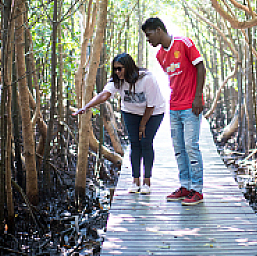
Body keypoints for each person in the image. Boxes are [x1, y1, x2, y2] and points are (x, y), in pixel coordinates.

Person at [72, 53, 165, 194]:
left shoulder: (147, 79)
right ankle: (135, 181)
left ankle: (147, 182)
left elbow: (151, 106)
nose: (117, 72)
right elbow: (104, 95)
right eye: (115, 69)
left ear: (128, 67)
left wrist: (143, 124)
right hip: (131, 112)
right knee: (135, 144)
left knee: (146, 142)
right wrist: (86, 106)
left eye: (120, 68)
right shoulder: (117, 80)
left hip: (154, 113)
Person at [141, 17, 206, 205]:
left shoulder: (184, 43)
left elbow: (200, 67)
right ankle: (185, 186)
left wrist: (197, 97)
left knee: (191, 147)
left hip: (191, 105)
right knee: (178, 148)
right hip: (175, 106)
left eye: (149, 35)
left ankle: (197, 190)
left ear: (159, 30)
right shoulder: (159, 56)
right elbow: (174, 80)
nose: (148, 39)